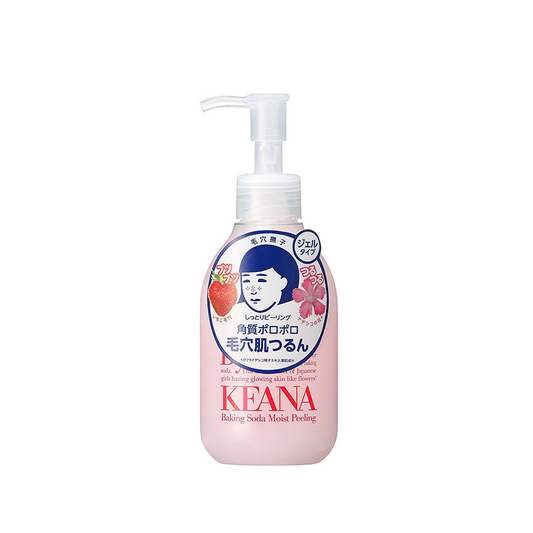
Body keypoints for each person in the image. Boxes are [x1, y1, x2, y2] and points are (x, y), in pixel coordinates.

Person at [238, 245, 300, 313]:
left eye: (261, 280)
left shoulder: (295, 310)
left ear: (283, 283)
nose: (253, 291)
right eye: (246, 281)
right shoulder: (236, 310)